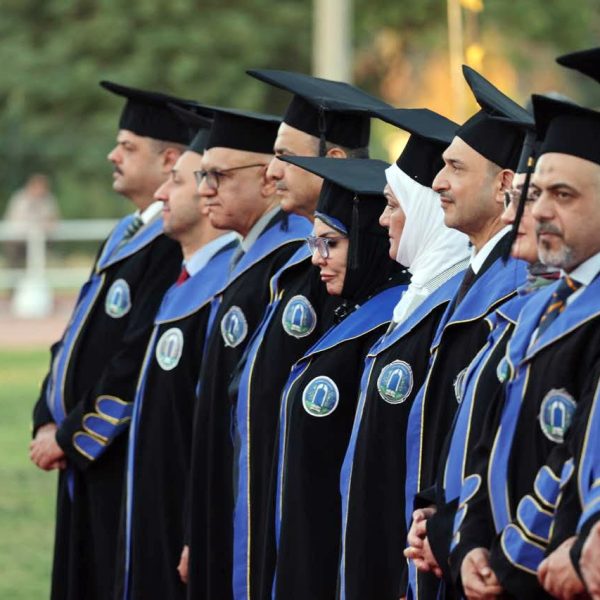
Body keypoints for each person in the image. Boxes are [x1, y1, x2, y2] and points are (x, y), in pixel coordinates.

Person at [28, 81, 194, 600]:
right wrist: (45, 415)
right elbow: (76, 334)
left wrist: (70, 435)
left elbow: (133, 358)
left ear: (170, 160)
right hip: (79, 455)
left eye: (127, 146)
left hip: (114, 456)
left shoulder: (168, 245)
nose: (112, 155)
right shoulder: (125, 232)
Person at [231, 69, 390, 600]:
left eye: (284, 155)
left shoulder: (359, 280)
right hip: (270, 515)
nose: (271, 170)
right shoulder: (299, 267)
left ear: (334, 160)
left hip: (322, 537)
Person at [453, 94, 600, 599]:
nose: (539, 212)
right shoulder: (539, 308)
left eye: (563, 195)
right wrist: (469, 543)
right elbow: (488, 441)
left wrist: (512, 557)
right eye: (535, 194)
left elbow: (575, 457)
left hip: (556, 572)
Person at [403, 65, 528, 599]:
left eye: (455, 167)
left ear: (504, 184)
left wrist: (453, 524)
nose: (438, 181)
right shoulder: (475, 278)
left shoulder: (513, 291)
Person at [337, 107, 470, 600]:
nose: (381, 218)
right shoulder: (418, 295)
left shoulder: (455, 306)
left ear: (427, 210)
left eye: (393, 205)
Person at [184, 105, 312, 600]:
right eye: (202, 176)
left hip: (251, 493)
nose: (204, 189)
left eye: (217, 175)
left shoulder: (290, 264)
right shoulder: (247, 259)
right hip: (221, 488)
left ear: (265, 179)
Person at [112, 107, 239, 600]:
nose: (162, 194)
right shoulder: (181, 285)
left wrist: (196, 528)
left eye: (177, 182)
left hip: (185, 520)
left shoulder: (224, 293)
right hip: (152, 510)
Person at [269, 156, 409, 600]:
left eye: (331, 243)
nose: (318, 258)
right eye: (314, 242)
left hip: (347, 556)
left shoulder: (392, 326)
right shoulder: (345, 313)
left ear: (369, 243)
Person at [3, 173, 59, 268]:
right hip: (18, 240)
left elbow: (53, 218)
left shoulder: (48, 200)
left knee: (38, 260)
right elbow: (14, 219)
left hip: (40, 238)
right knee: (15, 263)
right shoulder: (20, 198)